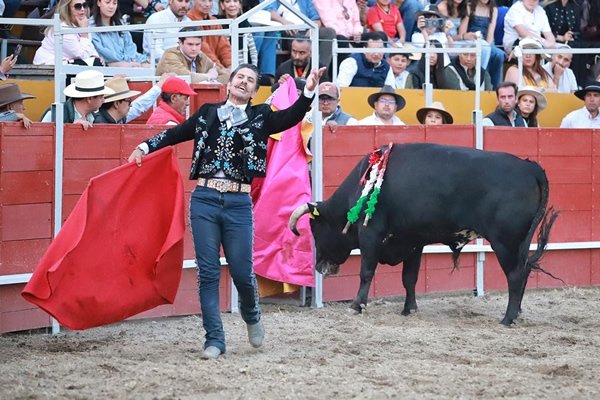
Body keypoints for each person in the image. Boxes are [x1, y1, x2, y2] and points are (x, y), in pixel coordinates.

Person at [127, 64, 325, 360]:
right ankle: (214, 339)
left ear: (254, 91)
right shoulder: (208, 113)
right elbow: (176, 134)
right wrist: (144, 146)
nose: (244, 82)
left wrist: (308, 91)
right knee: (208, 272)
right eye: (240, 77)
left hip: (238, 202)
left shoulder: (262, 116)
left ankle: (251, 313)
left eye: (250, 80)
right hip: (205, 199)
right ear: (229, 84)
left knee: (242, 272)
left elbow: (292, 116)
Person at [33, 0, 102, 66]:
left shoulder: (83, 24)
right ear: (67, 9)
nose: (82, 9)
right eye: (77, 6)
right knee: (86, 64)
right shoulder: (63, 28)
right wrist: (84, 33)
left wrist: (95, 56)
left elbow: (90, 48)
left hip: (67, 63)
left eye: (85, 5)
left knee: (96, 63)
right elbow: (82, 55)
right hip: (48, 66)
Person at [40, 70, 114, 129]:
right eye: (101, 97)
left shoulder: (94, 117)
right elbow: (40, 139)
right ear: (89, 99)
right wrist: (71, 129)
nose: (103, 100)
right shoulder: (55, 114)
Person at [156, 27, 230, 84]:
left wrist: (212, 82)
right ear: (180, 43)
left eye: (197, 44)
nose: (194, 48)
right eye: (190, 44)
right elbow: (186, 78)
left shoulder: (200, 55)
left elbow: (225, 75)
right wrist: (209, 76)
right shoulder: (170, 55)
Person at [459, 0, 506, 88]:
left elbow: (490, 34)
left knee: (499, 54)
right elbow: (462, 32)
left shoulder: (493, 9)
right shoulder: (469, 6)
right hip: (471, 41)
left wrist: (487, 45)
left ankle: (496, 88)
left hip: (486, 42)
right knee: (482, 51)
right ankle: (481, 82)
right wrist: (468, 36)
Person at [89, 0, 151, 67]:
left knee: (150, 65)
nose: (111, 6)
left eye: (114, 3)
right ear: (98, 3)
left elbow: (130, 45)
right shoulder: (91, 25)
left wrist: (131, 60)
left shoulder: (120, 22)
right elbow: (102, 52)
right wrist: (126, 61)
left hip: (130, 60)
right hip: (108, 64)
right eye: (107, 2)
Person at [94, 73, 174, 124]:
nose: (131, 105)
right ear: (116, 104)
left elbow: (139, 106)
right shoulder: (99, 123)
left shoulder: (116, 118)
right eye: (129, 101)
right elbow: (138, 106)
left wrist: (159, 86)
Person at [187, 0, 232, 69]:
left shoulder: (214, 21)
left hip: (217, 67)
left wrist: (230, 65)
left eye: (210, 1)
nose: (207, 4)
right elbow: (204, 51)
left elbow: (224, 48)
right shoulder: (188, 20)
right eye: (203, 0)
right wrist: (221, 69)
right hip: (198, 68)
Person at [217, 0, 258, 66]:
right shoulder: (217, 23)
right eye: (227, 2)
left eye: (235, 1)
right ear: (222, 5)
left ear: (239, 5)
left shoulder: (245, 23)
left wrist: (254, 68)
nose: (232, 5)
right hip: (226, 67)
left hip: (245, 66)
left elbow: (253, 51)